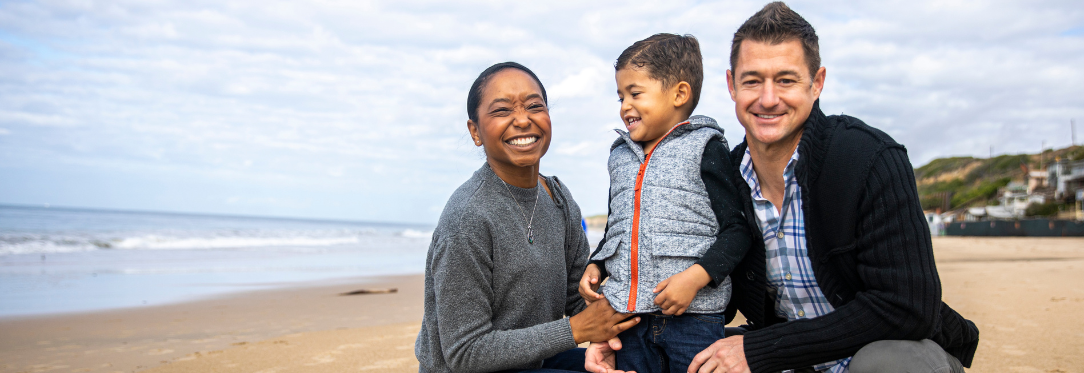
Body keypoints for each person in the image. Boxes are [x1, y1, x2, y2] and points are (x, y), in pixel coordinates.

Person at [589, 3, 980, 373]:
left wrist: (759, 351)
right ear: (731, 86)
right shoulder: (725, 175)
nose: (768, 98)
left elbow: (909, 308)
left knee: (888, 365)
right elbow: (689, 271)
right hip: (790, 358)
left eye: (786, 80)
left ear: (817, 83)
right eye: (753, 81)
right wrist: (620, 330)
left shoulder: (868, 158)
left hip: (887, 353)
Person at [415, 62, 641, 373]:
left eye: (535, 106)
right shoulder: (467, 219)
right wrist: (576, 330)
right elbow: (465, 352)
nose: (523, 120)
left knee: (642, 360)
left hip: (533, 359)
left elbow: (580, 300)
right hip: (469, 368)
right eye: (502, 111)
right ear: (475, 132)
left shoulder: (558, 199)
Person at [579, 34, 751, 373]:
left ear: (679, 94)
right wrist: (596, 263)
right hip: (628, 320)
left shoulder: (706, 147)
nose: (625, 105)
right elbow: (619, 227)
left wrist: (696, 278)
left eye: (635, 93)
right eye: (621, 96)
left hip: (694, 321)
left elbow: (737, 230)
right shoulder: (620, 156)